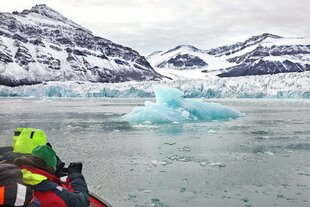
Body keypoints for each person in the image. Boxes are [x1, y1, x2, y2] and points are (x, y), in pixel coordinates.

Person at [14, 145, 90, 207]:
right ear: (51, 168)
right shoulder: (49, 189)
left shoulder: (15, 176)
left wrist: (52, 176)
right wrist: (75, 175)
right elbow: (80, 202)